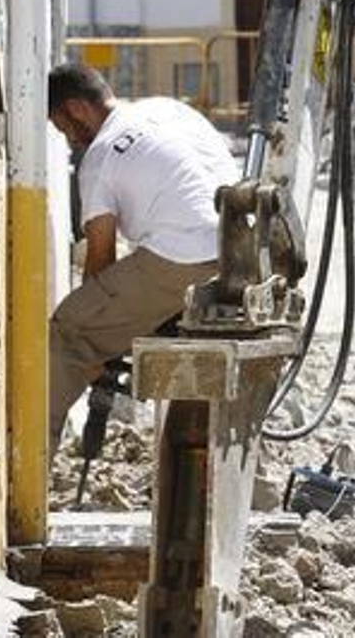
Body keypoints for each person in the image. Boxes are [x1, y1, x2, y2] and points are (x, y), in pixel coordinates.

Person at [46, 62, 240, 455]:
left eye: (63, 127)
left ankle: (31, 470)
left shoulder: (99, 157)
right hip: (240, 248)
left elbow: (101, 256)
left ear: (77, 108)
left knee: (68, 332)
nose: (69, 141)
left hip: (184, 256)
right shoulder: (168, 110)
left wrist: (97, 342)